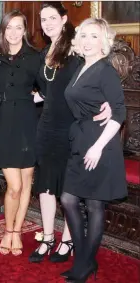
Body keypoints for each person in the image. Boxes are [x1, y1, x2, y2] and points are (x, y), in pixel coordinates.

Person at [29, 2, 112, 264]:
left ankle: (67, 240)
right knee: (45, 186)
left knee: (67, 187)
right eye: (44, 19)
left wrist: (109, 101)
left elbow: (98, 72)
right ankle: (47, 237)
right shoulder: (44, 53)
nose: (48, 23)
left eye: (53, 18)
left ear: (64, 19)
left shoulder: (77, 49)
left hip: (71, 128)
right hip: (46, 126)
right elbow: (43, 92)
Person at [60, 18, 127, 282]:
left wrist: (98, 147)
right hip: (81, 140)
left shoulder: (104, 70)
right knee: (68, 199)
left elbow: (119, 111)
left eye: (94, 37)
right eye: (84, 36)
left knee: (94, 204)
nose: (88, 41)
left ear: (104, 42)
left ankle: (85, 264)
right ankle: (85, 260)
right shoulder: (80, 66)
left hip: (100, 144)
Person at [0, 10, 41, 256]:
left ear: (25, 30)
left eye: (18, 27)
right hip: (2, 125)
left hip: (27, 123)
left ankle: (17, 231)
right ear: (3, 30)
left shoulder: (35, 57)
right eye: (8, 27)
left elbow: (50, 86)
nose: (13, 32)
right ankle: (7, 230)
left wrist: (38, 97)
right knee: (14, 185)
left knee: (26, 181)